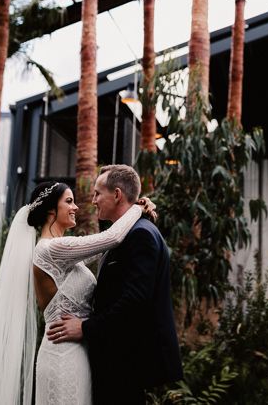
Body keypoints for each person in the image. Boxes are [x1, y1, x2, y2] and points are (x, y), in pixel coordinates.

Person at [0, 178, 155, 405]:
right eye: (69, 201)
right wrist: (137, 208)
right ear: (50, 211)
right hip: (62, 356)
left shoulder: (64, 251)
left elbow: (104, 249)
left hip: (77, 353)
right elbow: (111, 238)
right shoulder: (50, 249)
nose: (76, 207)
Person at [47, 165, 183, 405]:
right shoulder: (124, 234)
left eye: (98, 193)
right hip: (116, 358)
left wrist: (85, 328)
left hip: (126, 360)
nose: (93, 200)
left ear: (117, 194)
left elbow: (135, 301)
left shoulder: (140, 235)